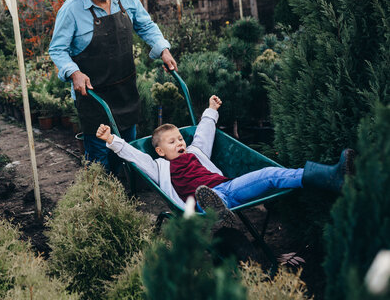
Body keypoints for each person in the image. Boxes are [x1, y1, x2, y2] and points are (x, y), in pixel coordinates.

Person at [96, 95, 355, 225]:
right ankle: (213, 209)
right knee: (203, 195)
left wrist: (211, 109)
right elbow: (138, 157)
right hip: (195, 204)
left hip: (226, 189)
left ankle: (331, 176)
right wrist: (112, 140)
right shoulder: (159, 166)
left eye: (180, 138)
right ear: (161, 151)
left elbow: (204, 133)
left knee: (270, 174)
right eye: (172, 141)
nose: (180, 143)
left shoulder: (196, 153)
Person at [49, 0, 177, 172]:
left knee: (128, 153)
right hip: (94, 98)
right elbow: (57, 50)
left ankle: (128, 197)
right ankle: (105, 203)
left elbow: (146, 25)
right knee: (100, 161)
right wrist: (74, 72)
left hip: (125, 91)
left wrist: (163, 50)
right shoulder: (71, 10)